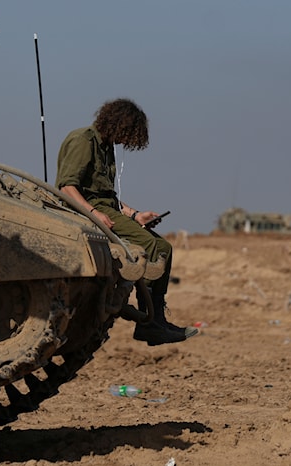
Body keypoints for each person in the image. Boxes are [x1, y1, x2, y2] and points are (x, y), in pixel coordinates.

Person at [56, 98, 198, 346]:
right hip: (90, 210)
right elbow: (67, 187)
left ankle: (156, 319)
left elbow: (106, 195)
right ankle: (151, 325)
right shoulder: (83, 140)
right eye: (128, 133)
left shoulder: (105, 146)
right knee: (153, 248)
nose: (126, 140)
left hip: (105, 209)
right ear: (118, 123)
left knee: (164, 248)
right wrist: (93, 213)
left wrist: (134, 215)